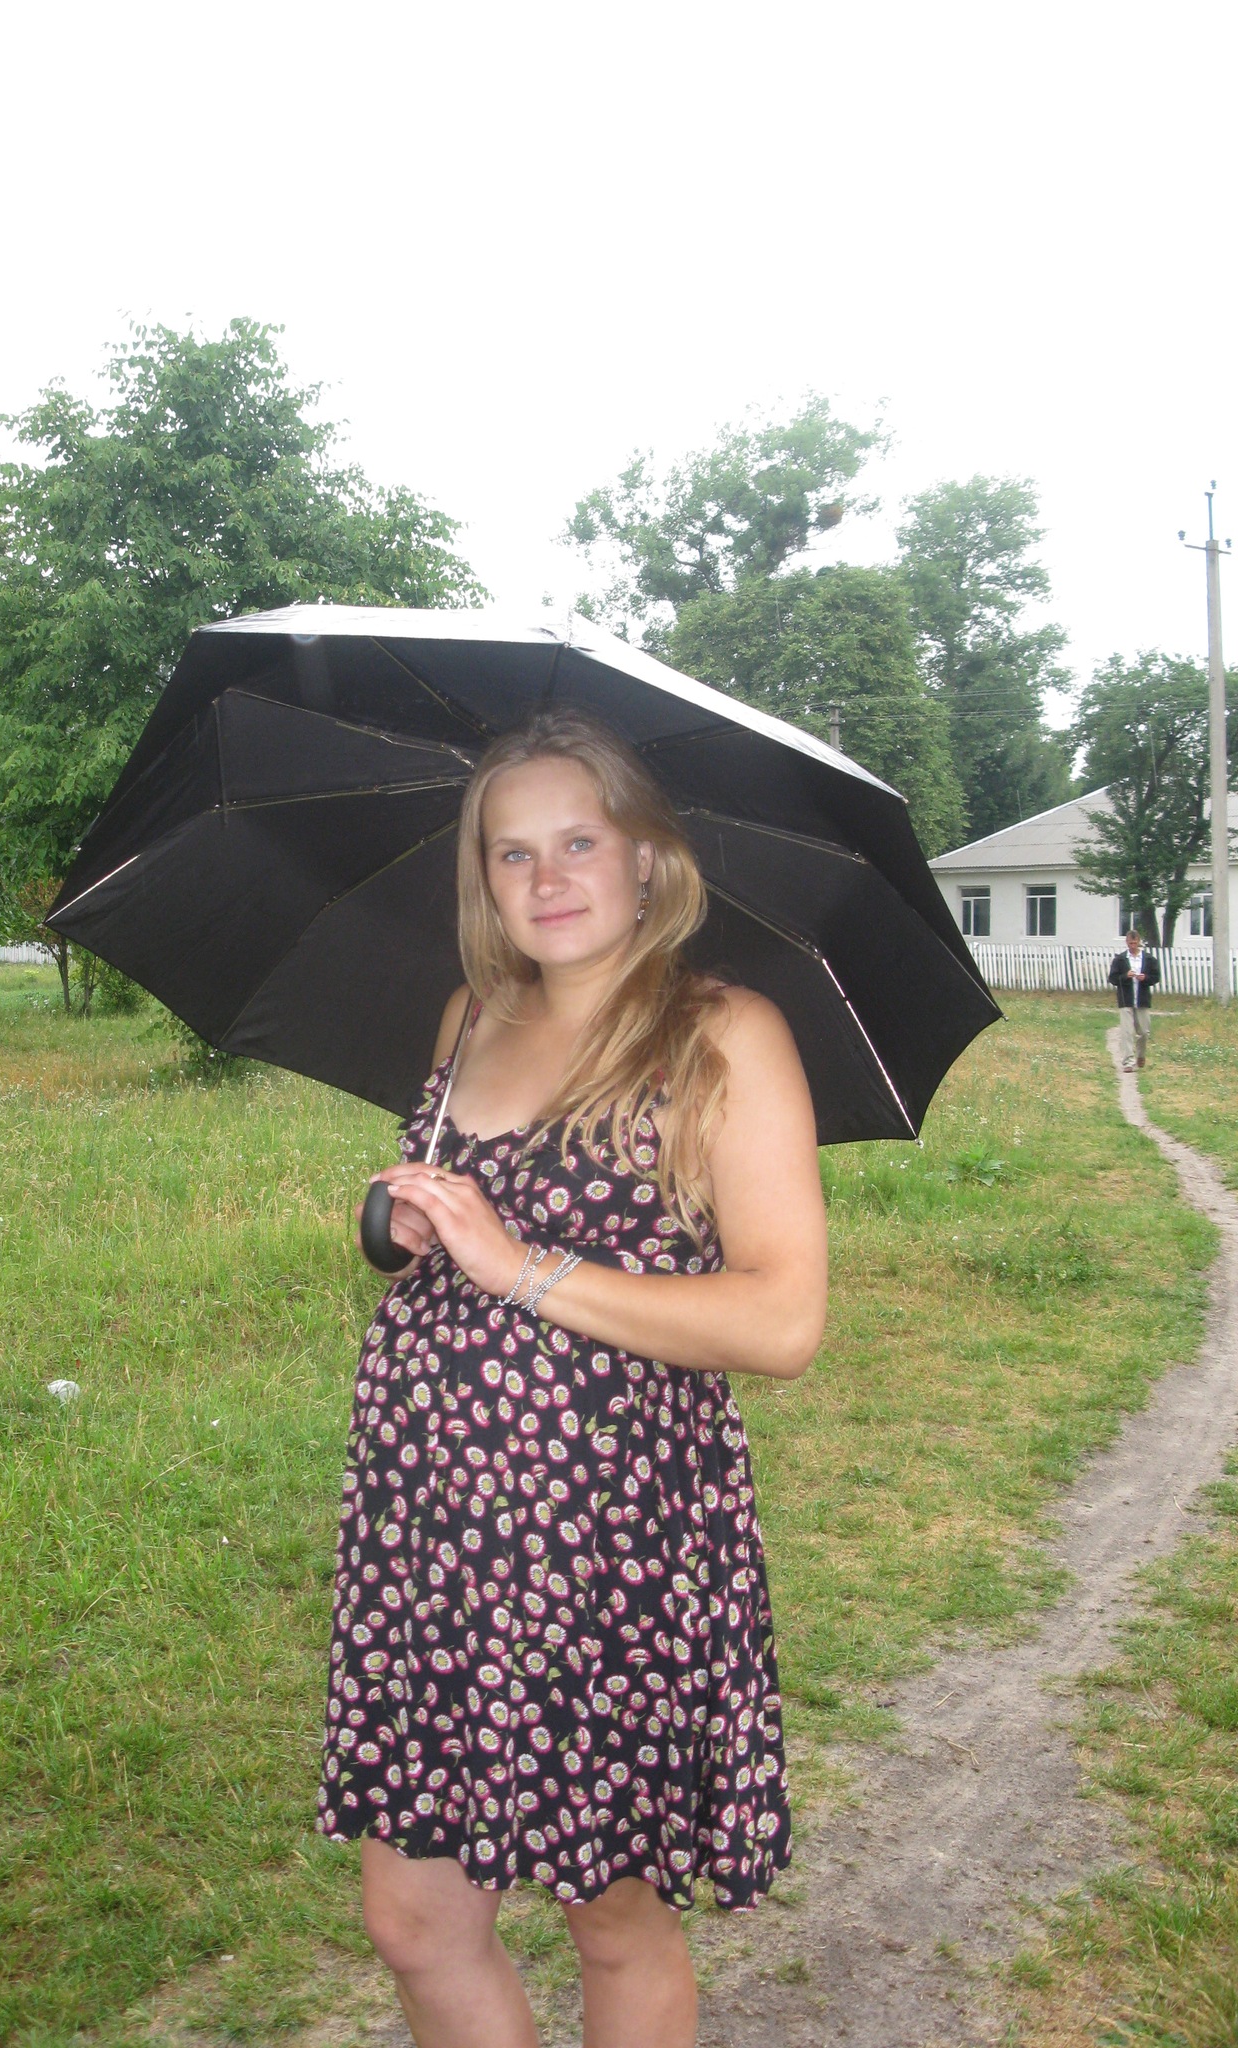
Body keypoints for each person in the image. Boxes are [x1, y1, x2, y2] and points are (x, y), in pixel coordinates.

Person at [316, 710, 828, 2048]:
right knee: (414, 1921)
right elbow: (455, 1228)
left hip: (609, 1544)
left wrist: (522, 1266)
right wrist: (404, 1227)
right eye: (511, 852)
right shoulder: (470, 1015)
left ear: (647, 858)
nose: (545, 879)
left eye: (578, 843)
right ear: (481, 877)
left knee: (612, 1917)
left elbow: (783, 1317)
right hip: (435, 1536)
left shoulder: (723, 1034)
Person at [1109, 929, 1160, 1071]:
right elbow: (1113, 978)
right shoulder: (1120, 960)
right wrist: (1125, 976)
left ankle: (1141, 1054)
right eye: (1130, 943)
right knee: (1127, 1032)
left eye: (1135, 943)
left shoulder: (1149, 959)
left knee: (1143, 1031)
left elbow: (1156, 977)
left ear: (1139, 942)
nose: (1132, 945)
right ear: (1126, 942)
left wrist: (1145, 978)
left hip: (1142, 999)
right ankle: (1128, 1062)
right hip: (1126, 1000)